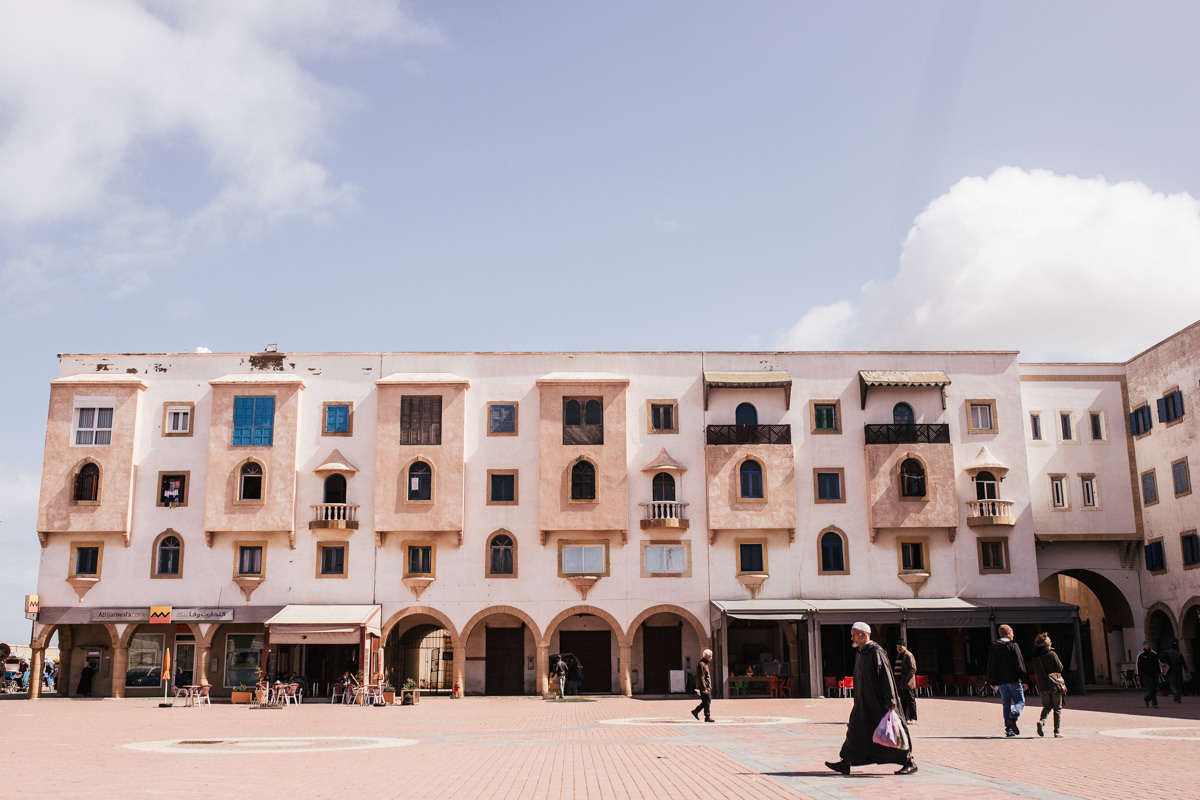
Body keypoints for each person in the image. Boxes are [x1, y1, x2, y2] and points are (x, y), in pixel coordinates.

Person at [825, 622, 917, 776]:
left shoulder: (876, 652)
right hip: (862, 702)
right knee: (854, 730)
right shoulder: (860, 654)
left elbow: (885, 676)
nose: (852, 638)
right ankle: (846, 761)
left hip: (877, 703)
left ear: (863, 635)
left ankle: (909, 761)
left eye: (854, 634)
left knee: (891, 732)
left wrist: (890, 699)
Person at [987, 624, 1027, 737]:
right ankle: (1013, 716)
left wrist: (992, 681)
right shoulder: (1013, 646)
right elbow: (1019, 663)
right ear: (1008, 634)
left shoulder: (994, 647)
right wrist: (1024, 679)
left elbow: (990, 665)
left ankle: (1009, 729)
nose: (1013, 634)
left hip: (1001, 682)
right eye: (1012, 632)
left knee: (1006, 704)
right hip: (1014, 680)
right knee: (1020, 701)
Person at [1029, 632, 1065, 738]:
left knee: (1047, 706)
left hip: (1042, 685)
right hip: (1054, 684)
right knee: (1057, 708)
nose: (1051, 642)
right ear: (1046, 643)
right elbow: (1060, 667)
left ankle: (1042, 721)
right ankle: (1056, 731)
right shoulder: (1051, 654)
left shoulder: (1035, 657)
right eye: (1049, 641)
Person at [893, 640, 918, 723]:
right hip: (900, 682)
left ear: (904, 646)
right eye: (897, 647)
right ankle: (905, 718)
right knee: (903, 700)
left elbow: (913, 668)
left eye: (900, 647)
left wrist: (907, 679)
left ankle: (913, 718)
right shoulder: (899, 655)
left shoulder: (908, 655)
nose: (899, 649)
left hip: (907, 683)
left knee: (910, 700)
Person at [1159, 640, 1189, 704]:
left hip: (1170, 671)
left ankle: (1175, 693)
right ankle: (1178, 698)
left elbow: (1161, 660)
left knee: (1173, 684)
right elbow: (1184, 663)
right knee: (1178, 685)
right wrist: (1186, 671)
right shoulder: (1179, 654)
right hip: (1178, 671)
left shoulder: (1166, 652)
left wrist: (1164, 665)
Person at [1136, 640, 1160, 708]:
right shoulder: (1141, 654)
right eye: (1146, 645)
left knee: (1155, 688)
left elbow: (1158, 663)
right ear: (1144, 646)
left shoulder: (1154, 654)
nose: (1148, 646)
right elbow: (1137, 665)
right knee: (1151, 688)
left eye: (1149, 645)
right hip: (1145, 674)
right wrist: (1137, 674)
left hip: (1154, 673)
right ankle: (1155, 703)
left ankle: (1146, 698)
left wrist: (1160, 672)